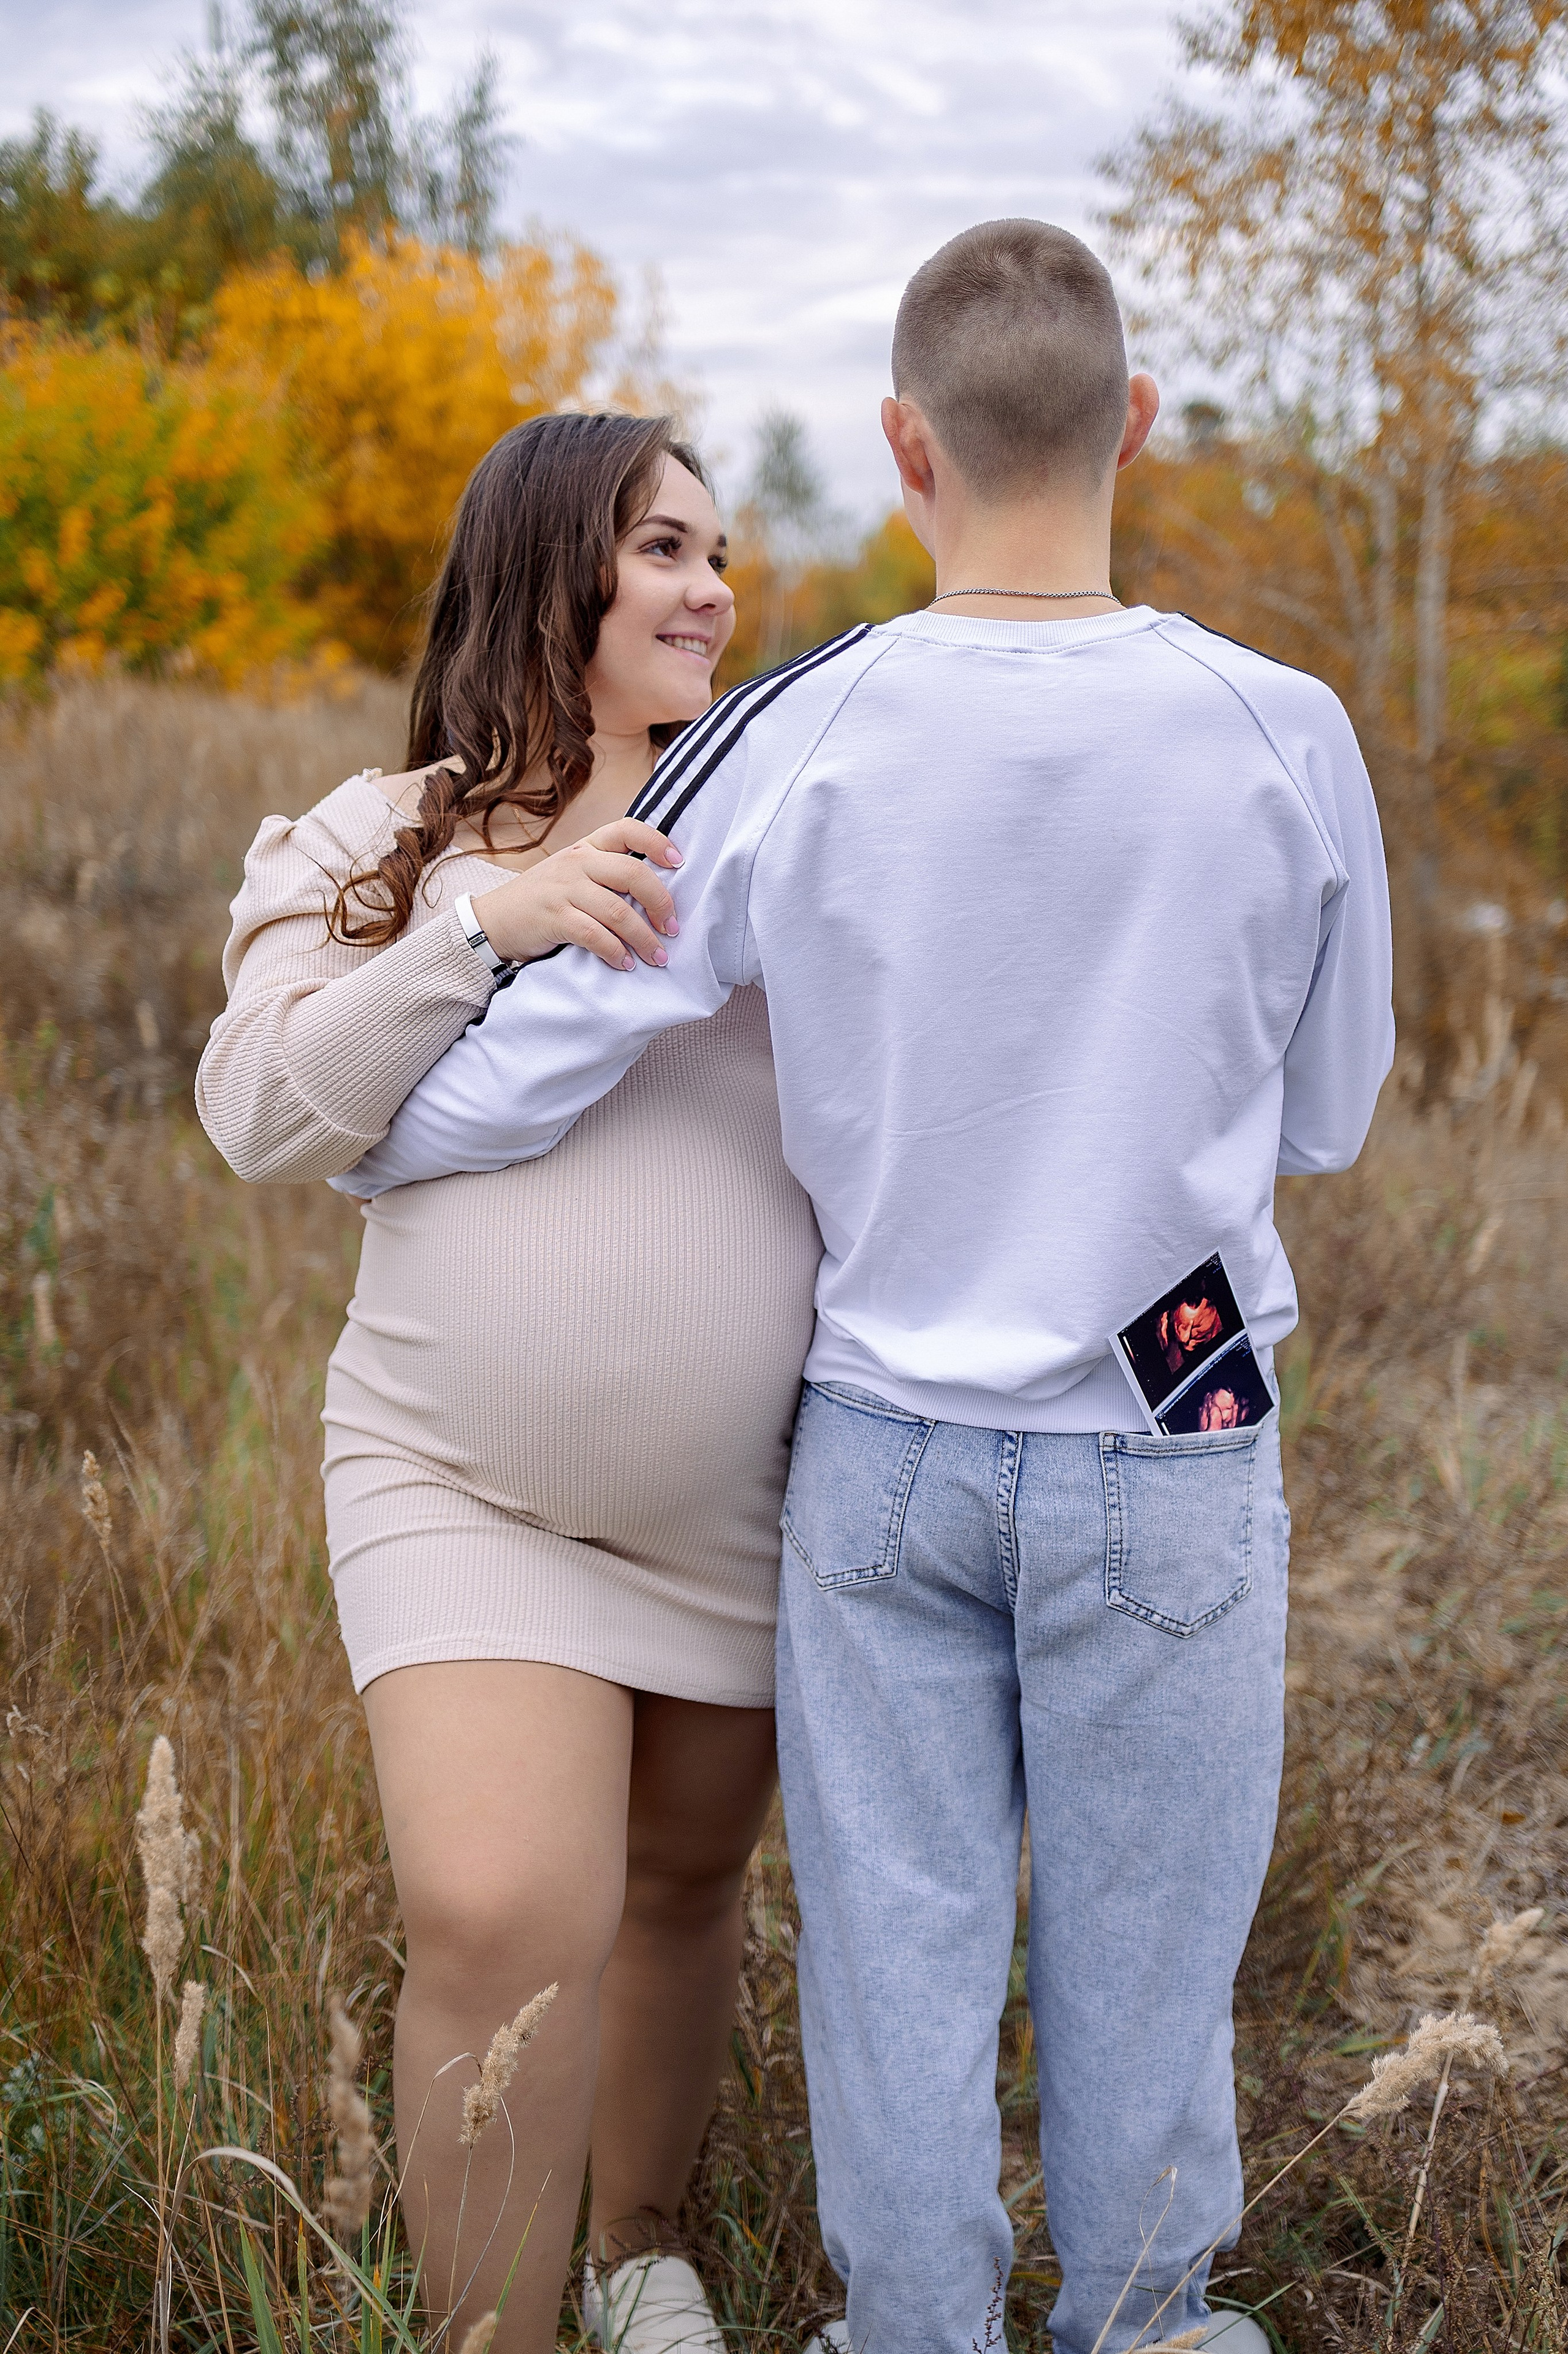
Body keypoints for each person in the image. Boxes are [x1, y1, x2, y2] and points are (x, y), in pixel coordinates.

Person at [338, 222, 1395, 2354]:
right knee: (1149, 1942)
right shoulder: (1286, 730)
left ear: (906, 446)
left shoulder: (792, 731)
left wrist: (380, 1127)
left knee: (894, 1948)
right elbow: (1334, 1111)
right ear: (1135, 425)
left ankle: (912, 2329)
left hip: (883, 1447)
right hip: (1169, 1429)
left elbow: (546, 1048)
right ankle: (1143, 2324)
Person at [197, 412, 826, 2354]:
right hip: (456, 1480)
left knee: (682, 1886)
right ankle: (497, 2337)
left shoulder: (780, 821)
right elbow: (261, 1114)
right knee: (497, 1914)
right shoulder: (381, 834)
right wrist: (488, 921)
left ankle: (639, 2254)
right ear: (549, 565)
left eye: (718, 551)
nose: (712, 590)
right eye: (664, 547)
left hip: (738, 1494)